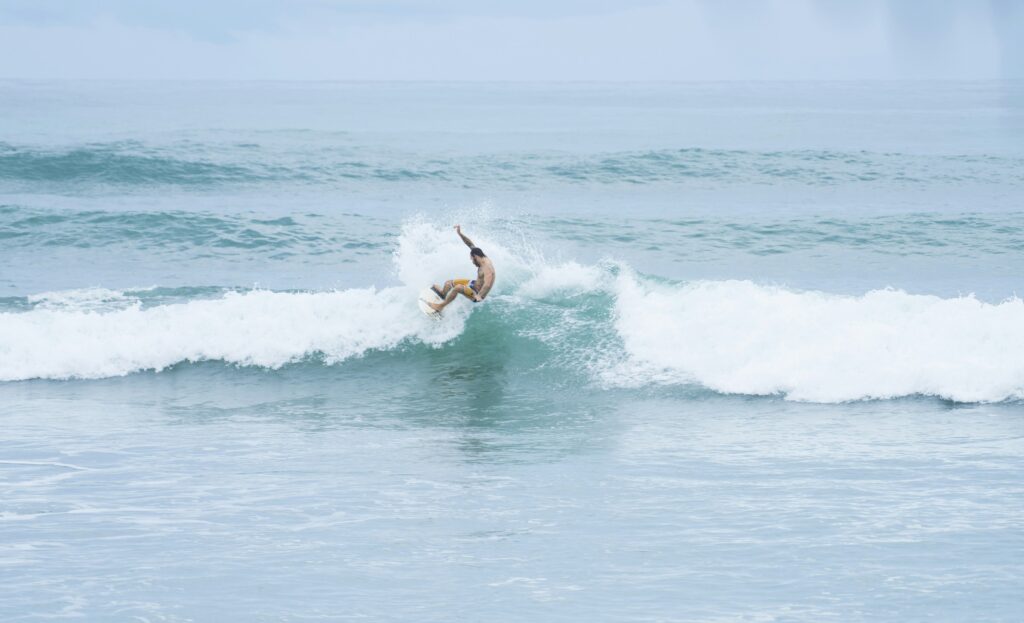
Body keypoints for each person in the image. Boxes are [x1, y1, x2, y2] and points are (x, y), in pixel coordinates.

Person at [428, 225, 495, 312]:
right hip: (474, 284)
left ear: (475, 257)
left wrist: (479, 296)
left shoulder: (487, 267)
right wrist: (460, 234)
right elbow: (470, 243)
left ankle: (440, 306)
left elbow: (488, 284)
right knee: (448, 283)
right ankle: (443, 293)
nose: (472, 262)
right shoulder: (479, 255)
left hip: (477, 294)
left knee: (458, 287)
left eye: (472, 259)